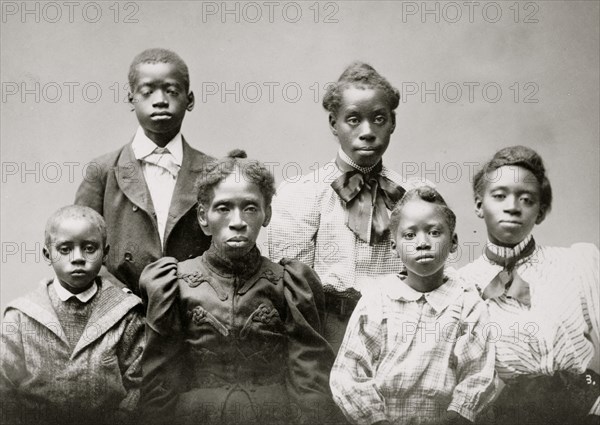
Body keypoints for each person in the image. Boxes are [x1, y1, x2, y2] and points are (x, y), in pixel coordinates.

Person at [139, 150, 337, 425]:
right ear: (203, 216)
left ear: (267, 214)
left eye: (250, 207)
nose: (237, 221)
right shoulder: (175, 283)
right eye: (223, 208)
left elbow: (309, 383)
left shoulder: (289, 283)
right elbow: (160, 382)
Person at [268, 61, 428, 352]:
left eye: (379, 119)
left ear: (393, 122)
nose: (367, 131)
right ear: (333, 123)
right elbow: (289, 289)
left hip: (400, 333)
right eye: (353, 119)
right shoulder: (303, 194)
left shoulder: (412, 197)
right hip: (327, 334)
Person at [458, 146, 600, 425]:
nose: (512, 206)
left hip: (584, 407)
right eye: (499, 196)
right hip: (507, 414)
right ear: (479, 205)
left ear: (541, 212)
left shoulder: (576, 263)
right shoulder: (462, 284)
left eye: (527, 199)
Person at [330, 187, 496, 425]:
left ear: (453, 242)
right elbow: (349, 373)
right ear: (393, 246)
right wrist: (376, 420)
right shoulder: (377, 300)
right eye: (409, 235)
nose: (423, 243)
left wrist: (456, 417)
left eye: (434, 232)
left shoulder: (468, 303)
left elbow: (478, 375)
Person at [75, 48, 213, 295]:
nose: (160, 100)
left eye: (171, 91)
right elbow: (80, 248)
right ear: (132, 99)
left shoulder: (214, 172)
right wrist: (120, 299)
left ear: (189, 100)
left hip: (195, 311)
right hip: (121, 312)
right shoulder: (103, 171)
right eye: (147, 92)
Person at [0, 205, 145, 425]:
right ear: (48, 255)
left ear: (105, 254)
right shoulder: (20, 316)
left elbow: (139, 383)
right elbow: (5, 389)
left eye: (89, 248)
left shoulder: (125, 313)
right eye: (65, 249)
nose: (78, 258)